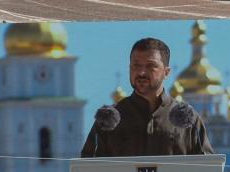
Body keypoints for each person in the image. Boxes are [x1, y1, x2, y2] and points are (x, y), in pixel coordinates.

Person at [81, 37, 213, 157]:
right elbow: (87, 170)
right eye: (136, 65)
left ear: (166, 72)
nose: (141, 72)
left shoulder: (188, 120)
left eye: (151, 66)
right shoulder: (108, 120)